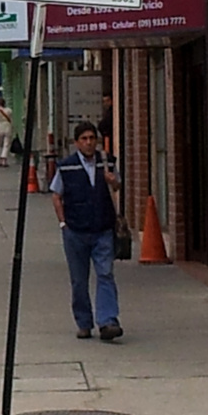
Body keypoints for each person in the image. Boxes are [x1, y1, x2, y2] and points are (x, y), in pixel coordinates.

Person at [50, 121, 123, 342]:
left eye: (92, 138)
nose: (89, 143)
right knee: (79, 280)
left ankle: (108, 321)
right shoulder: (67, 166)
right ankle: (84, 322)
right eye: (84, 139)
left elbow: (118, 185)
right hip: (76, 230)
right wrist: (63, 223)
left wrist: (114, 181)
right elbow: (56, 194)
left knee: (105, 274)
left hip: (102, 229)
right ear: (77, 143)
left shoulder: (106, 162)